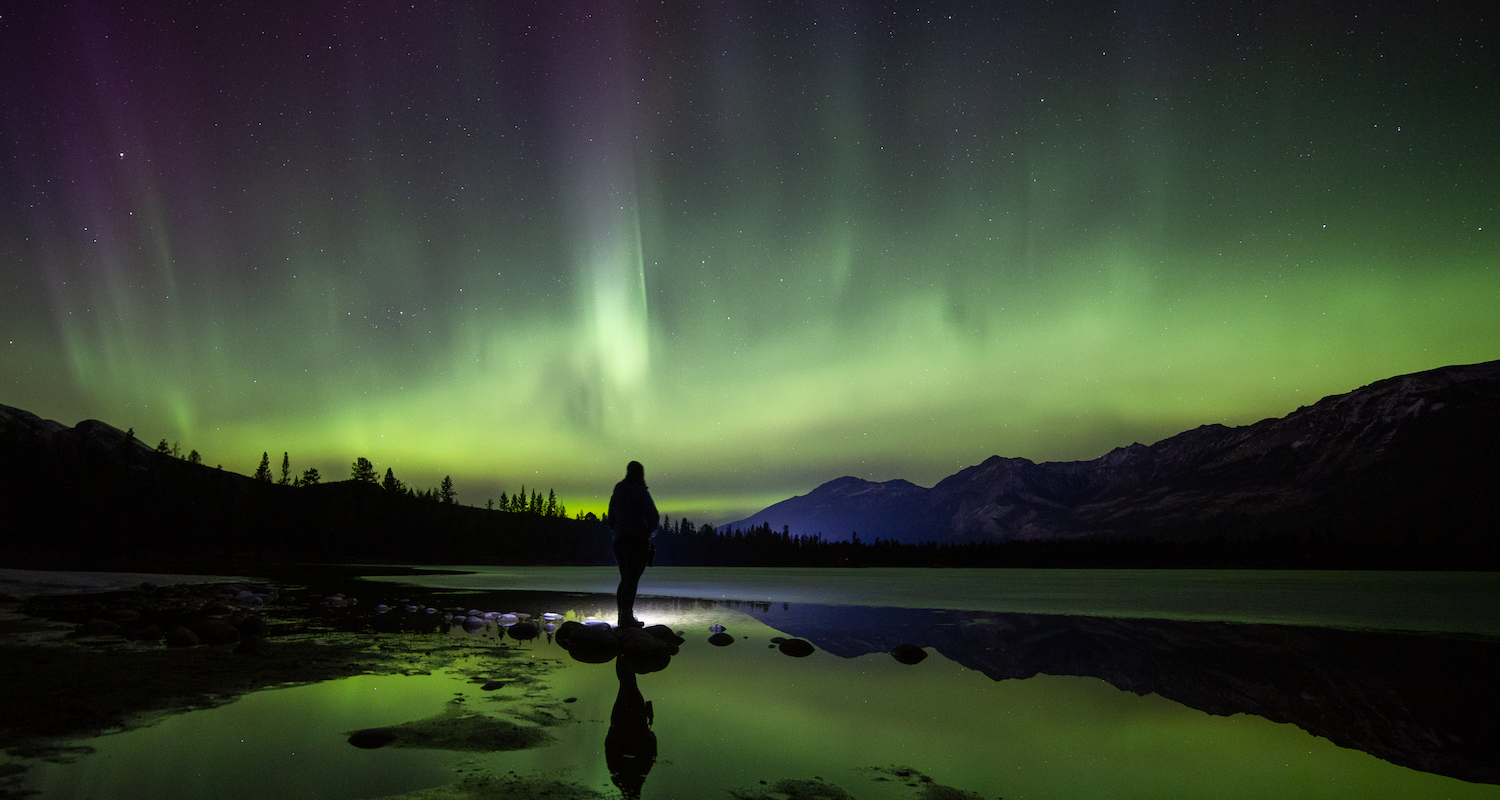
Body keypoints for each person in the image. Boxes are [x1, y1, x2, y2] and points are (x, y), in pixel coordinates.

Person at [607, 460, 658, 628]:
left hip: (619, 541)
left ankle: (623, 617)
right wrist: (647, 529)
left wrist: (620, 528)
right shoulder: (641, 492)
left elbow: (611, 520)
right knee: (631, 579)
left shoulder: (618, 491)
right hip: (637, 541)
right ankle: (626, 618)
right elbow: (654, 518)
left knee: (625, 579)